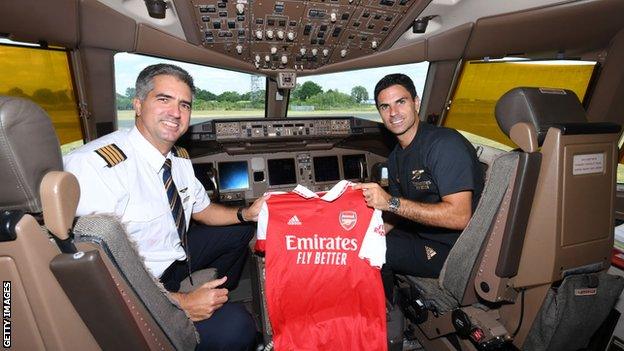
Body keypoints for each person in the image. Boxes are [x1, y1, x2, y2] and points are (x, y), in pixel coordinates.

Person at [64, 63, 264, 350]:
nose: (176, 112)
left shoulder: (179, 159)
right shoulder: (95, 166)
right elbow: (97, 277)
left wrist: (246, 214)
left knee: (240, 231)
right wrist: (181, 303)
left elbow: (203, 211)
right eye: (163, 99)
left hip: (174, 258)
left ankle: (214, 292)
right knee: (239, 326)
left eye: (184, 104)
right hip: (137, 281)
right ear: (137, 104)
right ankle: (191, 315)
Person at [354, 74, 484, 298]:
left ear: (416, 102)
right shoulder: (396, 157)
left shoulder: (444, 144)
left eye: (401, 102)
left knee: (370, 253)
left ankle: (385, 318)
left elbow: (460, 216)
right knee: (360, 244)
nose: (393, 113)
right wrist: (362, 235)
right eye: (385, 106)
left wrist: (389, 202)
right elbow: (394, 214)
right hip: (420, 235)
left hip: (455, 250)